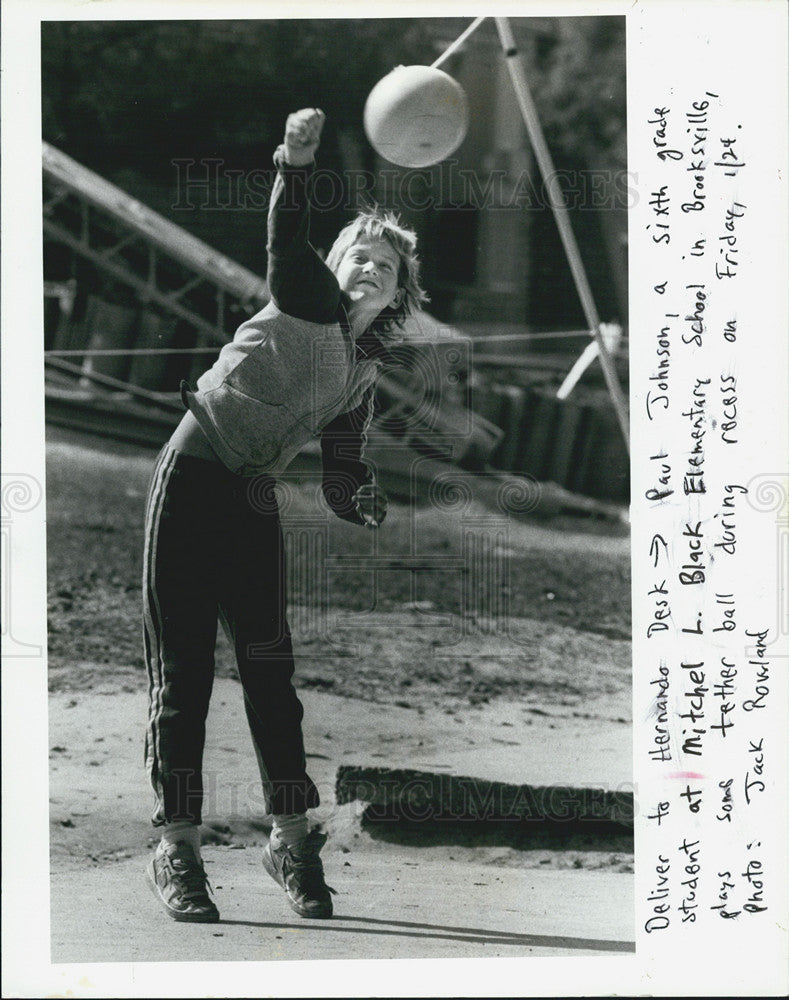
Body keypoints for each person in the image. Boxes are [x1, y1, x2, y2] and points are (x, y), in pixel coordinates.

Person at [143, 108, 427, 923]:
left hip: (251, 499)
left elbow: (341, 472)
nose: (368, 266)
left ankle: (289, 839)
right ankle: (178, 849)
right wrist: (295, 161)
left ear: (400, 291)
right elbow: (284, 237)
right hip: (193, 479)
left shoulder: (362, 372)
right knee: (184, 679)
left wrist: (362, 498)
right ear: (332, 266)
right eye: (358, 255)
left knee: (272, 679)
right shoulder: (305, 296)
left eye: (384, 264)